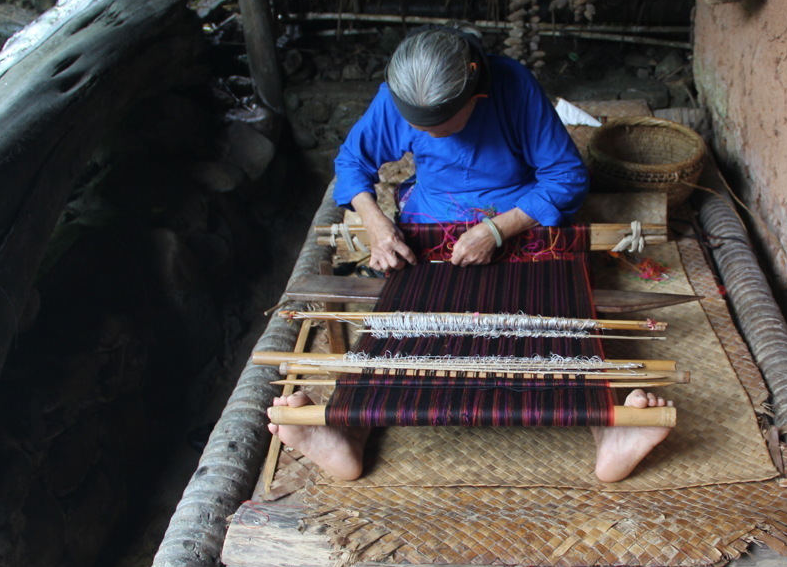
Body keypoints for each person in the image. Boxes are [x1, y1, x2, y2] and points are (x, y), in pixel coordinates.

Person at [268, 24, 672, 483]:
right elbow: (351, 163)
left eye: (439, 129)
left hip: (520, 224)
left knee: (553, 324)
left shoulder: (512, 87)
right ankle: (345, 435)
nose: (428, 136)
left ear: (475, 93)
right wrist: (375, 222)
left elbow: (566, 178)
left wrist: (499, 231)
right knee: (410, 326)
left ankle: (611, 432)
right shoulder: (398, 97)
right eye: (421, 130)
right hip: (432, 228)